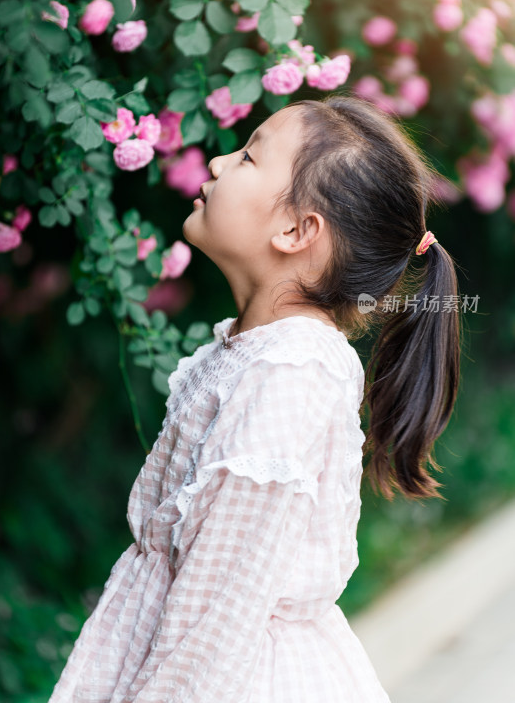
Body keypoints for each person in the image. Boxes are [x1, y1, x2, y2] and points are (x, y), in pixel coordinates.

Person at [48, 94, 461, 702]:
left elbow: (221, 602)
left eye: (246, 157)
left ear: (296, 231)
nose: (215, 163)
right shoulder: (259, 354)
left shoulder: (292, 371)